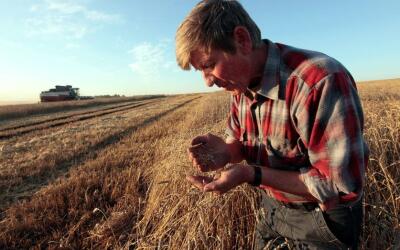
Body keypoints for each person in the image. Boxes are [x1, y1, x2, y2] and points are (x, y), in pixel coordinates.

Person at [176, 0, 369, 249]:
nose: (207, 82)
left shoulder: (318, 82)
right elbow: (242, 142)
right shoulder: (240, 85)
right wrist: (226, 151)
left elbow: (339, 186)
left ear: (242, 40)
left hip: (323, 220)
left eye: (209, 65)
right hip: (274, 210)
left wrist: (250, 173)